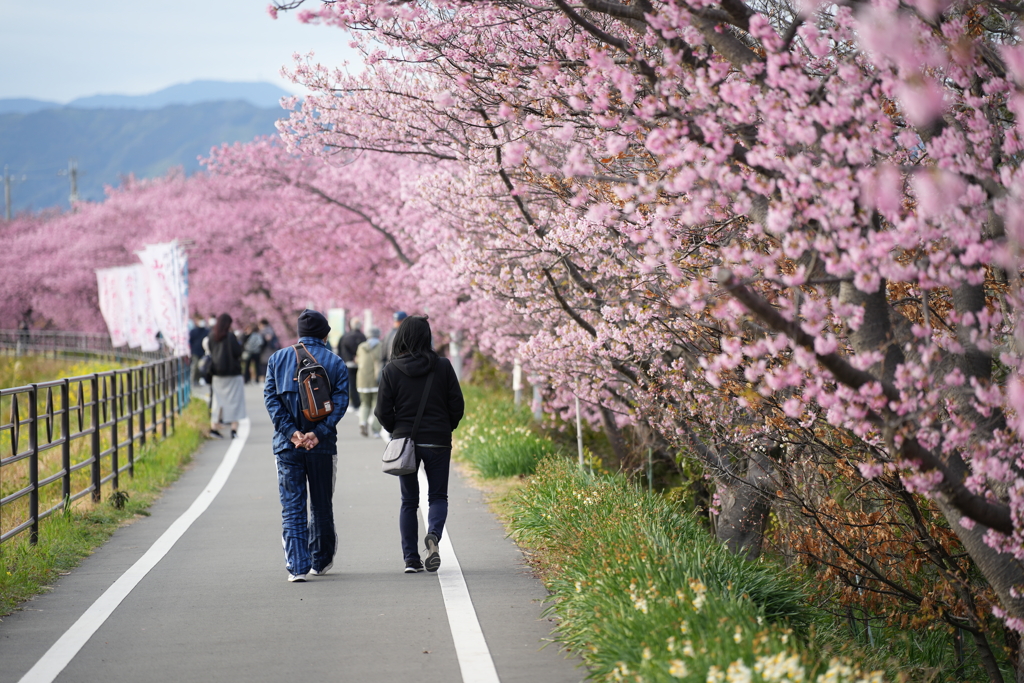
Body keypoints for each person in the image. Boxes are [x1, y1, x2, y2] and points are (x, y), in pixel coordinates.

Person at [374, 315, 464, 573]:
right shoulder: (443, 366)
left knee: (409, 501)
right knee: (437, 496)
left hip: (406, 442)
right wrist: (447, 427)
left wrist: (397, 430)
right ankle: (433, 536)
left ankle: (411, 560)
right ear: (427, 337)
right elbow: (457, 404)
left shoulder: (391, 369)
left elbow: (382, 411)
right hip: (438, 440)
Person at [264, 309, 349, 582]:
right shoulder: (335, 362)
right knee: (321, 504)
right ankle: (320, 562)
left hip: (288, 447)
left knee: (292, 505)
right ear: (325, 334)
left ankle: (297, 566)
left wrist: (291, 433)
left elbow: (270, 399)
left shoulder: (277, 359)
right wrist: (318, 433)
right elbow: (341, 402)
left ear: (300, 334)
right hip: (322, 447)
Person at [205, 313, 246, 439]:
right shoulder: (231, 336)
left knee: (218, 402)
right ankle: (234, 429)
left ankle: (214, 427)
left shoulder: (212, 336)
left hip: (217, 374)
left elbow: (210, 352)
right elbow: (238, 352)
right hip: (233, 374)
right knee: (235, 402)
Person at [355, 327, 384, 438]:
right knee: (377, 406)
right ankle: (376, 430)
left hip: (362, 380)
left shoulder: (361, 347)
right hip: (376, 380)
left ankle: (362, 422)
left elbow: (358, 360)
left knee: (364, 403)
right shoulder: (380, 346)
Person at [338, 318, 366, 413]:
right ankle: (359, 401)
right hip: (361, 363)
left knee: (351, 383)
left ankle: (354, 402)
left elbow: (341, 350)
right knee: (360, 383)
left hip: (349, 363)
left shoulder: (345, 337)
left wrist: (349, 358)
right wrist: (357, 357)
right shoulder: (363, 337)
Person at [188, 316, 209, 385]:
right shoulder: (193, 331)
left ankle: (198, 380)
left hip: (203, 352)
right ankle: (193, 381)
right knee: (195, 366)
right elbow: (190, 341)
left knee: (201, 367)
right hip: (195, 352)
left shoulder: (206, 331)